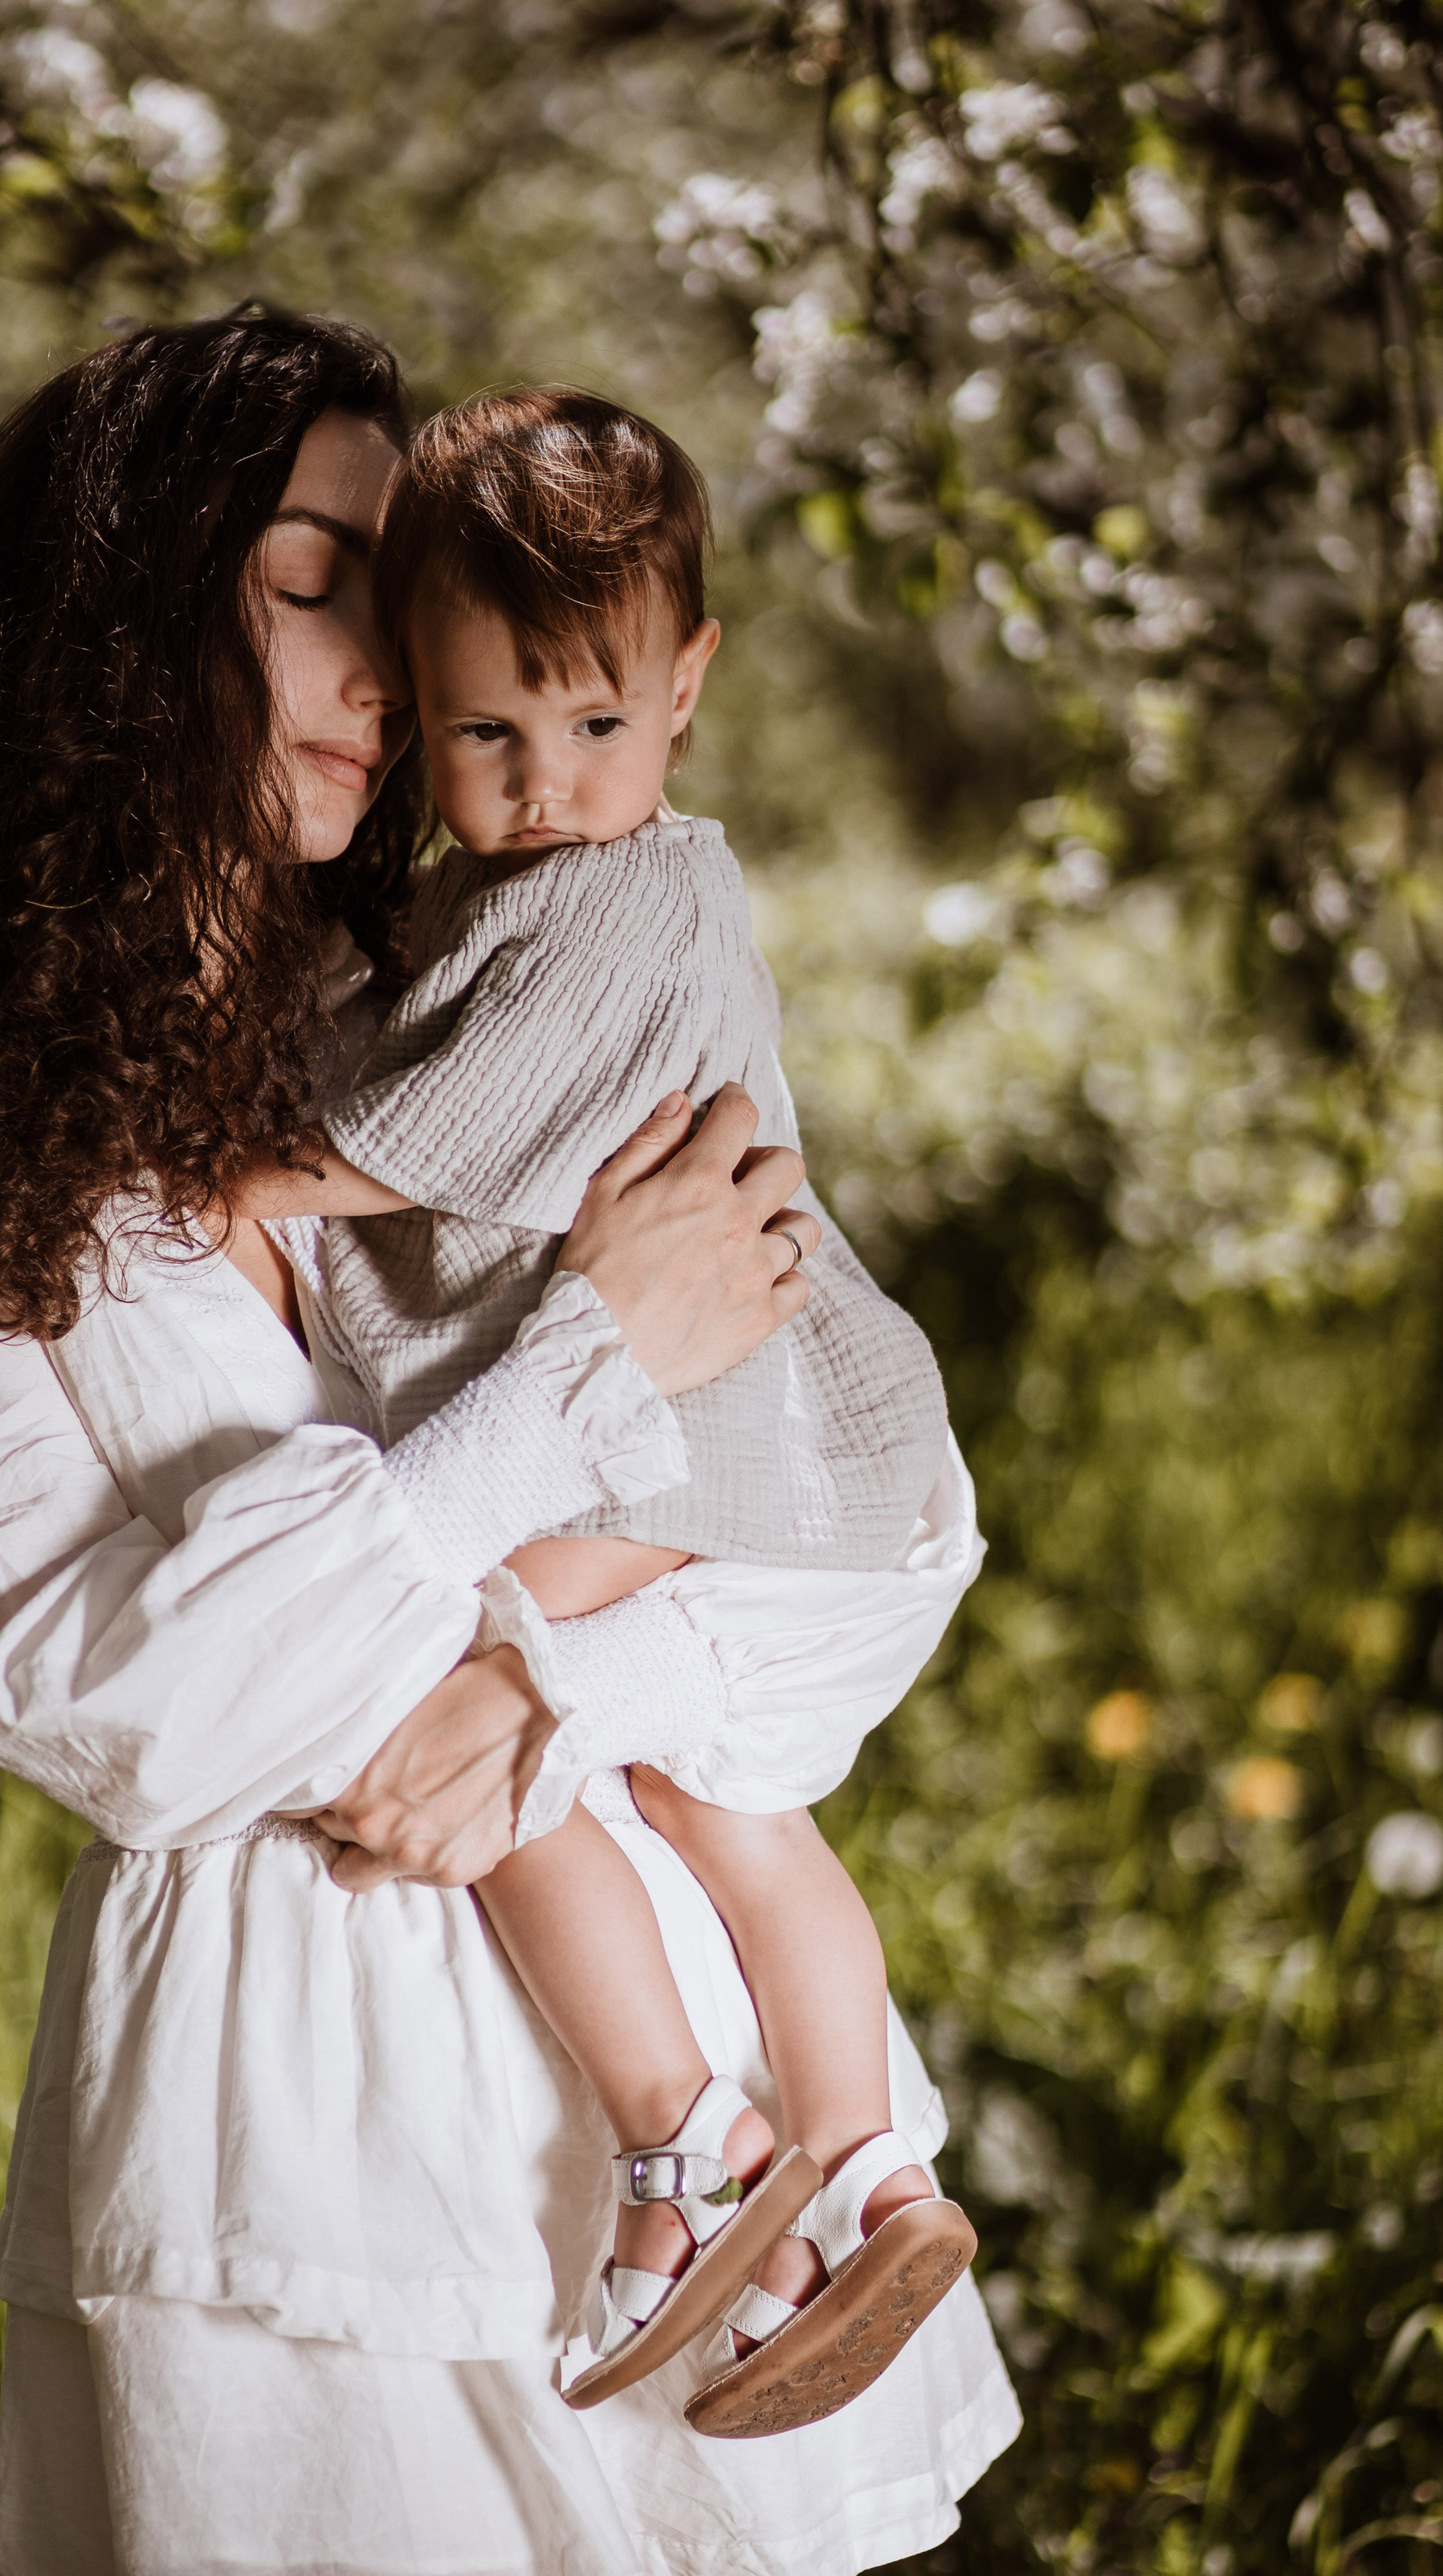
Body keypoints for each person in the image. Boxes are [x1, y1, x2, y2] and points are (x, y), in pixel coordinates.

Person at [0, 305, 1019, 2576]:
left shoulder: (462, 984)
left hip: (682, 2113)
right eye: (308, 597)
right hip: (315, 2113)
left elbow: (824, 1490)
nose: (379, 688)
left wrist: (541, 1665)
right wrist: (562, 1392)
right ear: (111, 632)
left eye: (390, 611)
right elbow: (119, 1690)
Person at [210, 388, 982, 2436]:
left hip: (707, 1430)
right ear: (420, 712)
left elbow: (427, 1131)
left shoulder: (631, 901)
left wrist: (239, 1176)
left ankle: (684, 2146)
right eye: (484, 736)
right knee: (725, 1809)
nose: (543, 783)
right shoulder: (529, 886)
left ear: (688, 691)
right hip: (753, 1444)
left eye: (592, 726)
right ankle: (872, 2159)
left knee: (485, 1692)